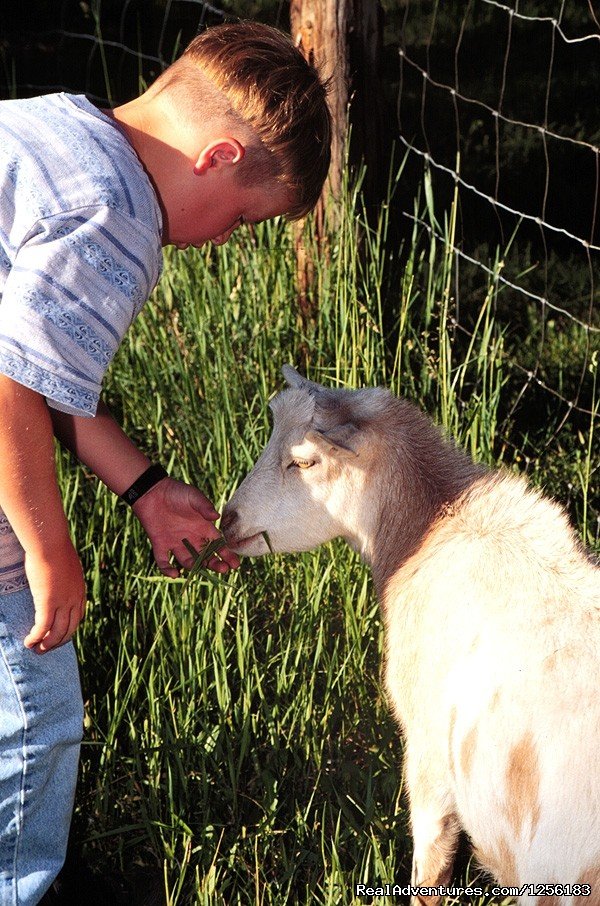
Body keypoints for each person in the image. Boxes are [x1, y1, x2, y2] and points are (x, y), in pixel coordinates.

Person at [0, 20, 331, 904]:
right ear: (218, 157)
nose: (226, 239)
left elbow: (39, 375)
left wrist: (143, 488)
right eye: (245, 218)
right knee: (30, 716)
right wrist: (46, 549)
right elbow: (8, 386)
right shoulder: (118, 213)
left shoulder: (49, 127)